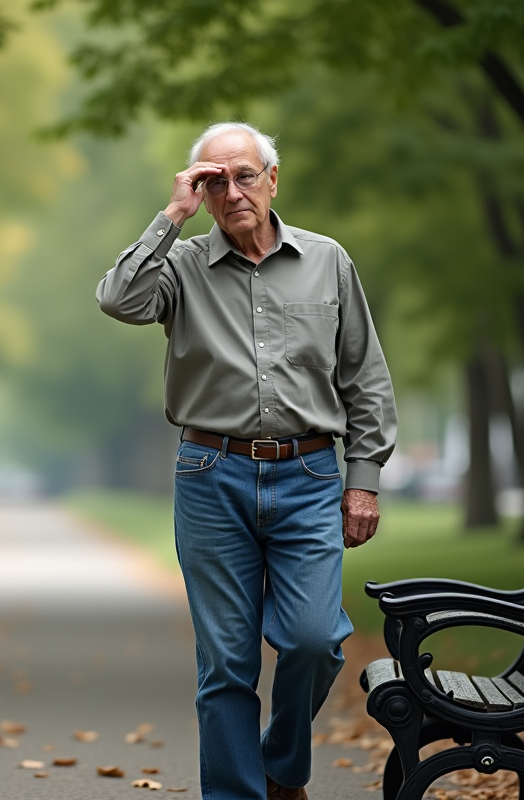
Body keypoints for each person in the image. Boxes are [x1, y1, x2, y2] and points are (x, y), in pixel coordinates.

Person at [96, 121, 397, 800]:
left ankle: (282, 767)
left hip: (311, 474)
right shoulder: (177, 268)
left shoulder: (328, 261)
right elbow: (117, 299)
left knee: (314, 641)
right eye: (213, 181)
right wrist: (171, 214)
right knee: (227, 664)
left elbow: (365, 380)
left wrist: (364, 482)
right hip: (212, 476)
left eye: (245, 175)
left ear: (272, 180)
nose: (233, 192)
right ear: (200, 192)